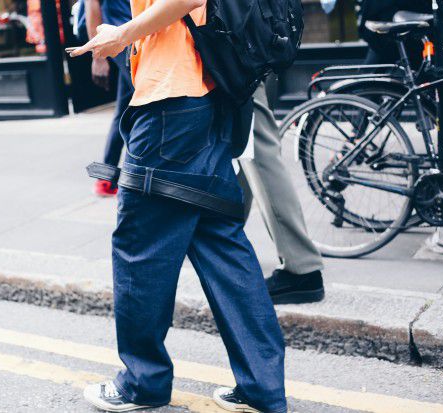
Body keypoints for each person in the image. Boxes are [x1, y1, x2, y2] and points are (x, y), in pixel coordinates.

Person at [70, 0, 287, 411]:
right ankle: (262, 387)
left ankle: (141, 382)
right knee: (221, 244)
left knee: (140, 247)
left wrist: (123, 33)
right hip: (209, 98)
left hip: (170, 105)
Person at [238, 82, 325, 305]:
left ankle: (302, 266)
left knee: (256, 148)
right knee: (246, 146)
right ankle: (224, 242)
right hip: (236, 56)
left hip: (229, 56)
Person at [84, 0, 133, 197]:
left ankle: (106, 179)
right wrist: (98, 57)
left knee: (124, 111)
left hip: (136, 39)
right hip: (123, 40)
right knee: (149, 105)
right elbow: (92, 7)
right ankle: (140, 178)